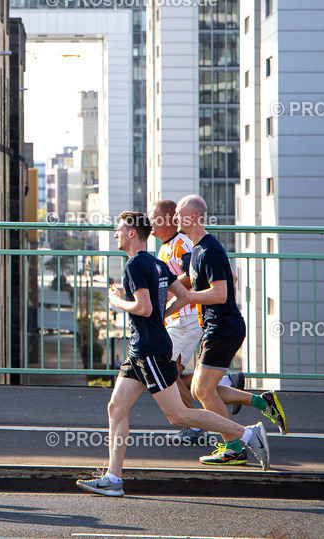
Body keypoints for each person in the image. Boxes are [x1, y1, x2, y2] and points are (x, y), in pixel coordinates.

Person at [76, 212, 269, 496]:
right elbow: (184, 296)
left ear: (132, 234)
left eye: (118, 229)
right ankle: (114, 479)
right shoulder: (157, 263)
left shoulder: (134, 265)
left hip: (149, 350)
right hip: (141, 349)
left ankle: (249, 434)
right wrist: (158, 317)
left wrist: (117, 301)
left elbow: (142, 308)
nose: (115, 233)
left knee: (179, 415)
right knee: (116, 408)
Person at [175, 194, 288, 467]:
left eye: (178, 214)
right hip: (217, 326)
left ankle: (234, 447)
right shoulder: (198, 249)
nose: (174, 219)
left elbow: (220, 292)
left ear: (192, 217)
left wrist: (190, 296)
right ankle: (263, 403)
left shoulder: (209, 249)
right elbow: (229, 277)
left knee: (202, 390)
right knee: (207, 389)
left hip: (223, 327)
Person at [149, 200, 204, 445]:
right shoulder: (163, 248)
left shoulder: (182, 243)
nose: (151, 222)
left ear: (169, 219)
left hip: (189, 317)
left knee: (169, 372)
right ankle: (225, 382)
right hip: (176, 318)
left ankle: (194, 426)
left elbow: (193, 277)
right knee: (170, 371)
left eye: (155, 217)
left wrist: (165, 288)